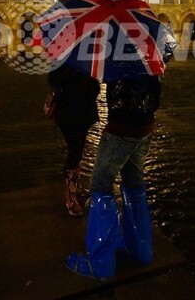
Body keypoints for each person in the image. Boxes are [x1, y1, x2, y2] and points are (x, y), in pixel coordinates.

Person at [66, 73, 162, 279]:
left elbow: (116, 86)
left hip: (122, 126)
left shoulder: (120, 48)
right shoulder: (151, 44)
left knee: (100, 187)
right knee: (134, 184)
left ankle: (100, 263)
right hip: (146, 124)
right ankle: (141, 250)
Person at [47, 65, 100, 217]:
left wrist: (92, 89)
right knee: (74, 151)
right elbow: (53, 80)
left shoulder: (88, 58)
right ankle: (70, 195)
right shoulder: (63, 58)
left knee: (78, 150)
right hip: (68, 114)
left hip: (84, 113)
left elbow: (94, 84)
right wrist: (75, 70)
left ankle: (76, 185)